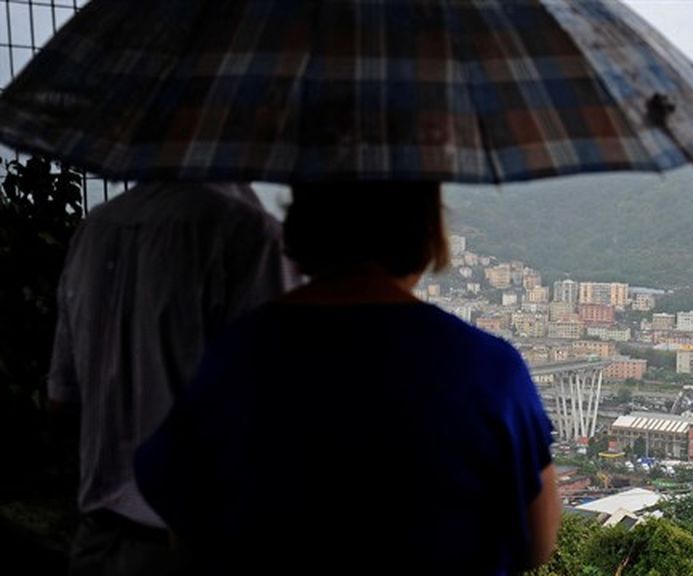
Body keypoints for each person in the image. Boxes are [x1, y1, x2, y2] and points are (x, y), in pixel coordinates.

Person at [135, 181, 561, 575]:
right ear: (426, 229)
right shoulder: (487, 369)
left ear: (304, 221)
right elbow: (536, 543)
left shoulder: (237, 356)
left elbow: (182, 516)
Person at [48, 182, 295, 575]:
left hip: (98, 542)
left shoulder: (94, 229)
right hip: (198, 548)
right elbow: (276, 411)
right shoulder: (248, 234)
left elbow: (63, 397)